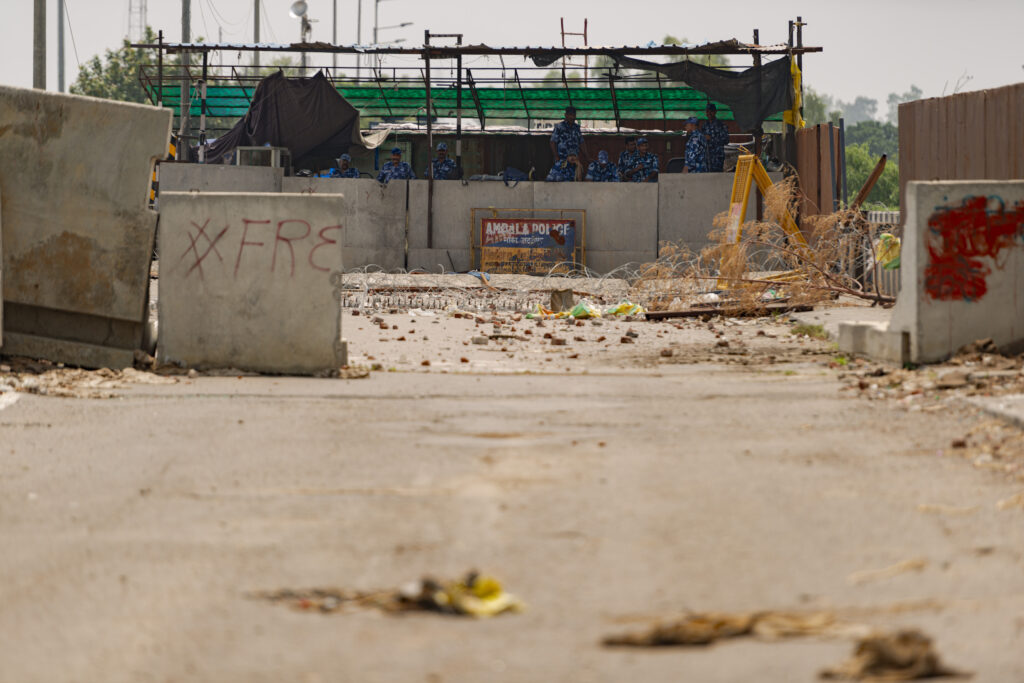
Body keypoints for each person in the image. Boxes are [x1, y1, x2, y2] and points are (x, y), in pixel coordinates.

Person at [701, 103, 730, 172]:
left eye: (711, 111)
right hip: (707, 157)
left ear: (715, 112)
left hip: (717, 157)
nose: (709, 113)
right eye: (707, 111)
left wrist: (711, 139)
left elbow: (726, 140)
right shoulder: (704, 125)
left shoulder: (721, 125)